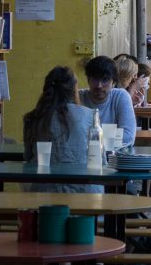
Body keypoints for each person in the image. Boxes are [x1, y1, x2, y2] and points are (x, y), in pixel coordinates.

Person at [23, 65, 102, 193]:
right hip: (86, 192)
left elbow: (28, 157)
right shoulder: (91, 115)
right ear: (74, 89)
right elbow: (100, 158)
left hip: (43, 192)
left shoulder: (33, 118)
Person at [78, 56, 136, 146]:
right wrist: (111, 137)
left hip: (115, 157)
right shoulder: (78, 98)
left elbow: (128, 137)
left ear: (114, 83)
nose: (99, 85)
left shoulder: (120, 96)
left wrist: (89, 137)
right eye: (95, 79)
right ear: (88, 80)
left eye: (105, 80)